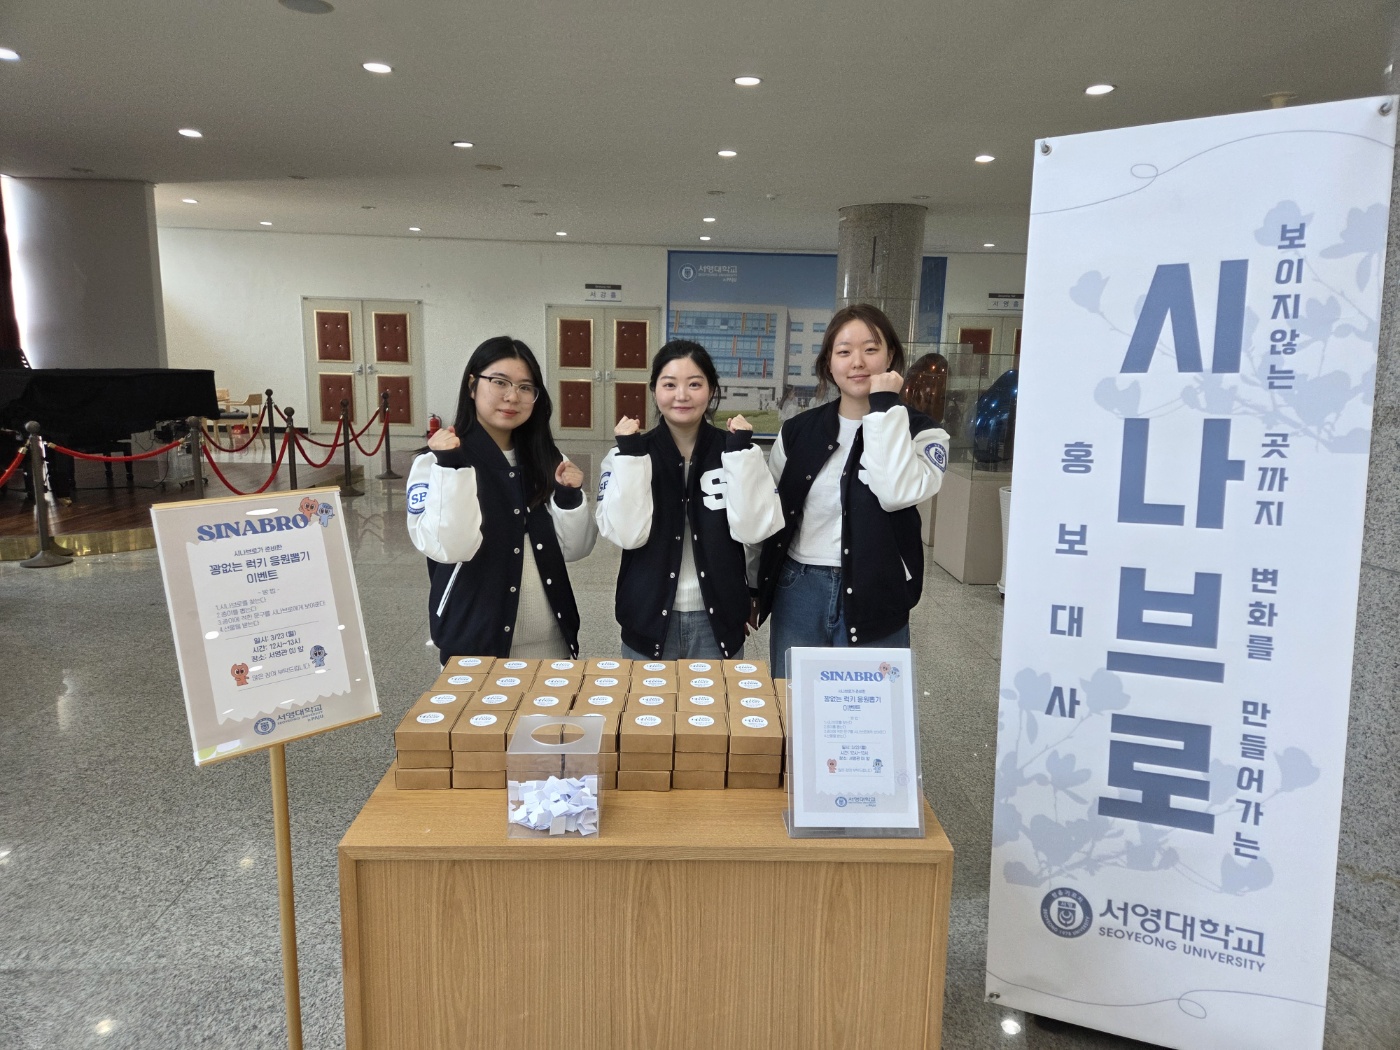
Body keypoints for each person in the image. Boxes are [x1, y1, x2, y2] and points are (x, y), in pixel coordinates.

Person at [757, 303, 950, 669]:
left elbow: (895, 493)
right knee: (794, 705)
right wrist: (755, 586)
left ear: (891, 355)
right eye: (844, 352)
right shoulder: (797, 432)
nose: (857, 362)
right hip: (799, 588)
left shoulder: (924, 433)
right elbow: (770, 515)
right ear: (828, 363)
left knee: (870, 714)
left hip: (877, 587)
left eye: (871, 349)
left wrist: (883, 407)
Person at [407, 336, 596, 662]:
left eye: (525, 387)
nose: (512, 396)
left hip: (552, 643)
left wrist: (568, 498)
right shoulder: (434, 463)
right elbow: (449, 548)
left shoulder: (548, 459)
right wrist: (452, 468)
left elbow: (574, 549)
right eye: (499, 382)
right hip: (474, 644)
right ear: (472, 385)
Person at [596, 340, 783, 660]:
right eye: (670, 384)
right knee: (646, 709)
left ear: (711, 390)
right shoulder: (626, 454)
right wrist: (630, 455)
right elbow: (627, 534)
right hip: (648, 619)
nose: (681, 395)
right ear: (655, 389)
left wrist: (740, 454)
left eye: (694, 384)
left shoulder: (739, 452)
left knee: (716, 710)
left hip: (717, 621)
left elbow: (755, 532)